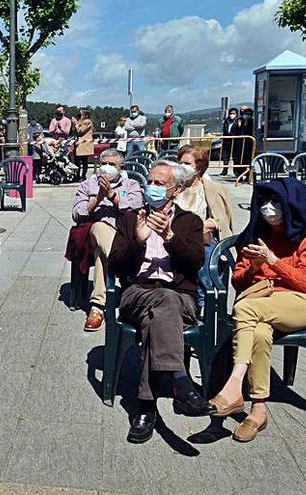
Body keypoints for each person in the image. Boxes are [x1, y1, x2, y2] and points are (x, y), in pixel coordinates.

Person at [108, 161, 215, 444]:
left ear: (176, 190)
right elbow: (116, 265)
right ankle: (181, 381)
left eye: (160, 184)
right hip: (138, 293)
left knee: (161, 311)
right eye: (150, 182)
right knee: (162, 303)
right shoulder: (131, 219)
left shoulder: (190, 222)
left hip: (180, 297)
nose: (152, 188)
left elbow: (194, 264)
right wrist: (139, 242)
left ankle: (145, 408)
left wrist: (169, 237)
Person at [208, 178, 306, 442]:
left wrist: (273, 261)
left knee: (245, 309)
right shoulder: (256, 234)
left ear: (290, 206)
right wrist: (255, 268)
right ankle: (258, 410)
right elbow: (237, 280)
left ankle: (234, 384)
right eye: (265, 202)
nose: (269, 208)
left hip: (296, 302)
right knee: (258, 333)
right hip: (260, 302)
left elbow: (305, 281)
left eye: (275, 203)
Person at [70, 149, 143, 331]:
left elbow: (135, 204)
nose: (107, 168)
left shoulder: (130, 185)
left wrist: (112, 195)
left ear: (121, 168)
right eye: (104, 164)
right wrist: (97, 199)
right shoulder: (88, 185)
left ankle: (98, 306)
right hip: (95, 233)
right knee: (101, 229)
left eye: (112, 164)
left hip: (125, 235)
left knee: (102, 256)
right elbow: (77, 213)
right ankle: (129, 278)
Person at [176, 146, 234, 308]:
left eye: (187, 163)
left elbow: (222, 220)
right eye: (179, 162)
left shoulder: (212, 189)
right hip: (175, 234)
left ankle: (203, 301)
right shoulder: (174, 186)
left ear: (199, 166)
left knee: (205, 253)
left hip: (202, 236)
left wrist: (197, 225)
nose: (182, 166)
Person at [233, 106, 255, 177]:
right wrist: (239, 126)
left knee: (248, 160)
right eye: (245, 114)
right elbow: (233, 130)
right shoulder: (239, 120)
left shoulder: (252, 122)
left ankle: (248, 175)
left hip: (248, 144)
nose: (247, 116)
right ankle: (238, 174)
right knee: (238, 160)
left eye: (249, 115)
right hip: (239, 144)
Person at [74, 109, 94, 177]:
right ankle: (77, 175)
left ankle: (83, 176)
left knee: (84, 161)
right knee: (77, 161)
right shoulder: (80, 122)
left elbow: (81, 131)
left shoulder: (87, 122)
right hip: (78, 144)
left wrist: (76, 124)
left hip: (84, 144)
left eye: (81, 114)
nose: (80, 115)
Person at [220, 108, 240, 175]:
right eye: (231, 113)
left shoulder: (238, 121)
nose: (232, 115)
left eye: (234, 113)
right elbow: (224, 129)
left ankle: (236, 171)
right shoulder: (226, 121)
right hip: (227, 140)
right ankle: (225, 170)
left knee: (235, 157)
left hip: (235, 141)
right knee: (225, 156)